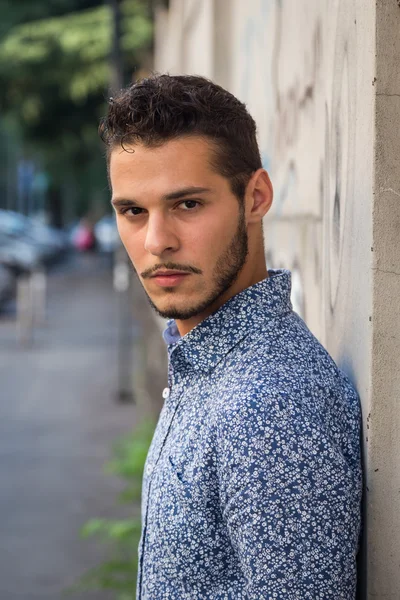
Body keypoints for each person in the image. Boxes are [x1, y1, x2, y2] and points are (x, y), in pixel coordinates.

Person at [100, 74, 362, 599]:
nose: (157, 242)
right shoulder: (209, 363)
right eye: (133, 211)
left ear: (255, 197)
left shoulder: (267, 405)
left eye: (188, 204)